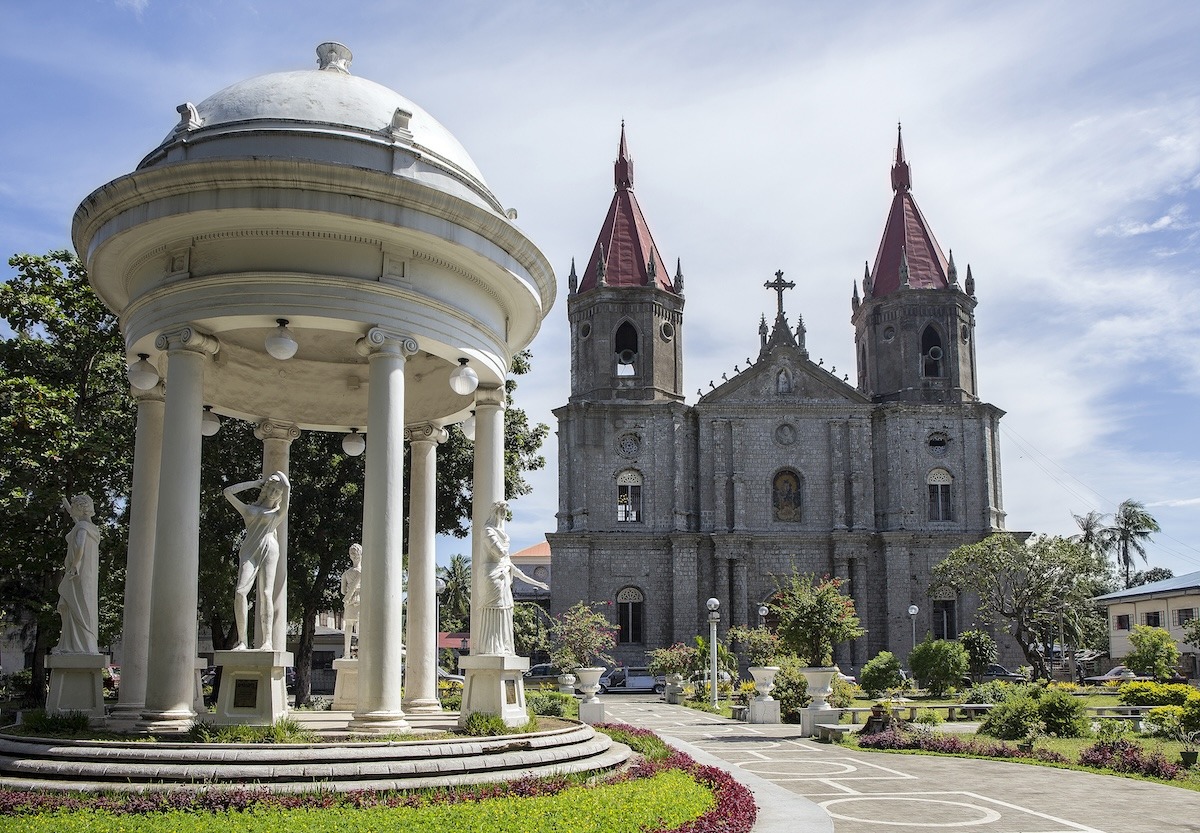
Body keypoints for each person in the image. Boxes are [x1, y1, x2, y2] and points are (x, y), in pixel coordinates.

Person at [224, 472, 290, 650]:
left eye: (278, 491)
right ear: (266, 488)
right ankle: (242, 641)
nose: (274, 493)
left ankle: (267, 641)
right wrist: (255, 483)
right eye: (272, 488)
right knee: (240, 592)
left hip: (270, 548)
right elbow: (228, 492)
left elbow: (287, 490)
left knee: (266, 593)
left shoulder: (277, 513)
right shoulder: (249, 510)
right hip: (249, 550)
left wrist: (283, 481)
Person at [477, 501, 548, 655]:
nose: (502, 517)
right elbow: (500, 552)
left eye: (504, 513)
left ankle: (502, 646)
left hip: (503, 578)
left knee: (506, 611)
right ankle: (490, 647)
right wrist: (505, 542)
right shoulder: (487, 531)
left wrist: (538, 583)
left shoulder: (501, 535)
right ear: (494, 513)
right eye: (500, 512)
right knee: (493, 610)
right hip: (492, 577)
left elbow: (516, 571)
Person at [54, 494, 100, 654]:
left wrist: (74, 565)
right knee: (83, 606)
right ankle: (82, 645)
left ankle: (76, 646)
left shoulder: (82, 528)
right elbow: (79, 526)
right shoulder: (91, 528)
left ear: (80, 509)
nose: (71, 510)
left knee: (76, 605)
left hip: (78, 573)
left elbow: (80, 546)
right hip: (88, 575)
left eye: (74, 507)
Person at [340, 543, 362, 656]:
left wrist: (350, 591)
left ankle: (347, 652)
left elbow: (343, 591)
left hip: (349, 600)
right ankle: (358, 652)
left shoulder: (346, 574)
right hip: (360, 600)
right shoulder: (365, 573)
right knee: (359, 626)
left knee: (349, 626)